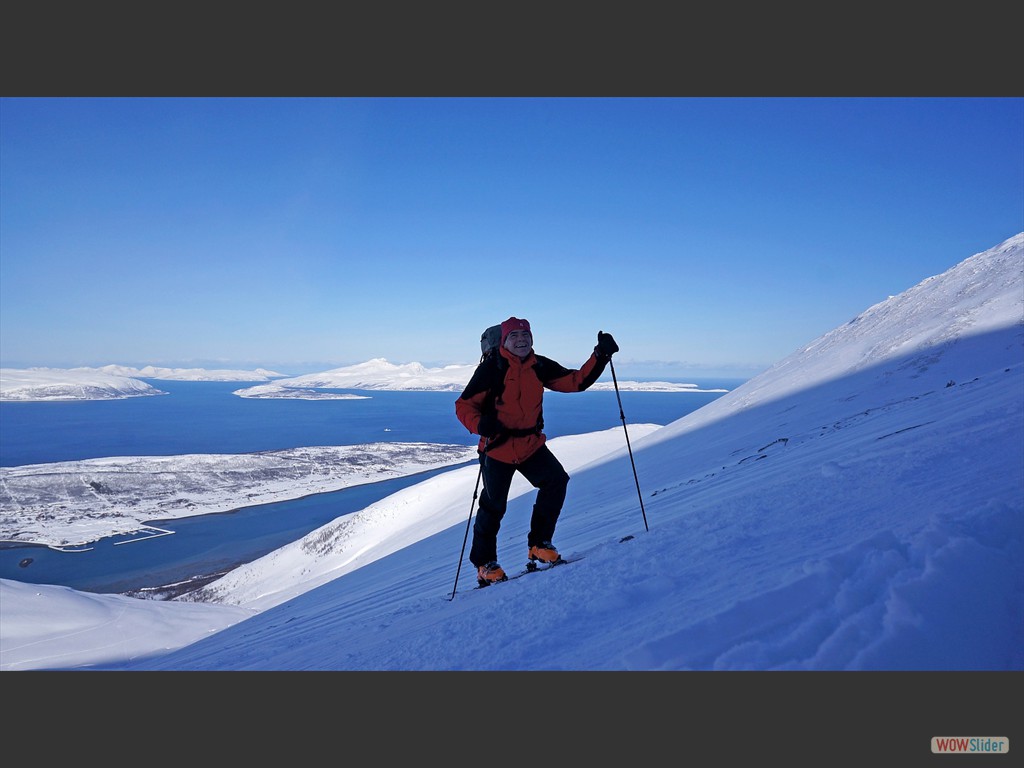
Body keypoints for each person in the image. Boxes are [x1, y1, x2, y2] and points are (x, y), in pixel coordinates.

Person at [455, 316, 619, 586]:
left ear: (532, 339)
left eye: (525, 335)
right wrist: (480, 424)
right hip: (498, 447)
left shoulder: (538, 365)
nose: (521, 340)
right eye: (514, 336)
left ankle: (539, 544)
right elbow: (463, 406)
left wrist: (600, 355)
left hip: (530, 444)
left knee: (556, 481)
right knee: (493, 506)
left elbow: (575, 381)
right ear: (504, 341)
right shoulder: (492, 369)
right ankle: (485, 564)